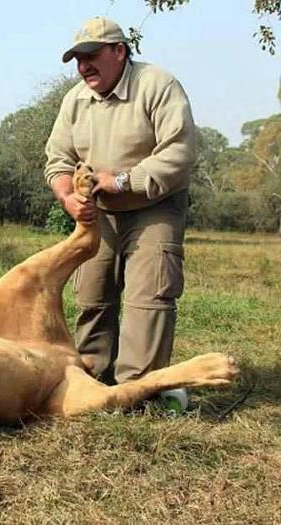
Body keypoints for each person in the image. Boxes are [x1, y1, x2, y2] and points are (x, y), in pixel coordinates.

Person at [44, 16, 197, 386]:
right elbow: (58, 160)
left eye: (91, 56)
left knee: (149, 300)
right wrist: (68, 197)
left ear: (119, 51)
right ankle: (92, 380)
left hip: (155, 206)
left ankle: (138, 387)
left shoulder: (157, 84)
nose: (83, 66)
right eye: (78, 60)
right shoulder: (75, 100)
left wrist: (122, 181)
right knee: (92, 296)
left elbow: (179, 152)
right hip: (99, 212)